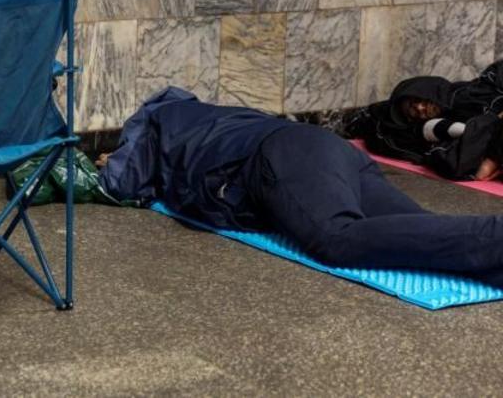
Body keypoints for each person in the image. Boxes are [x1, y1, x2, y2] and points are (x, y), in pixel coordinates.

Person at [97, 87, 503, 288]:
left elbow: (121, 181)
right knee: (418, 233)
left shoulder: (154, 124)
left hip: (282, 157)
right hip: (327, 150)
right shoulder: (203, 114)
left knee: (337, 237)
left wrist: (111, 161)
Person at [346, 60, 503, 181]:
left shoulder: (476, 88)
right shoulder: (440, 135)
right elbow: (459, 164)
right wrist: (493, 124)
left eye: (417, 100)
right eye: (414, 111)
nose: (420, 108)